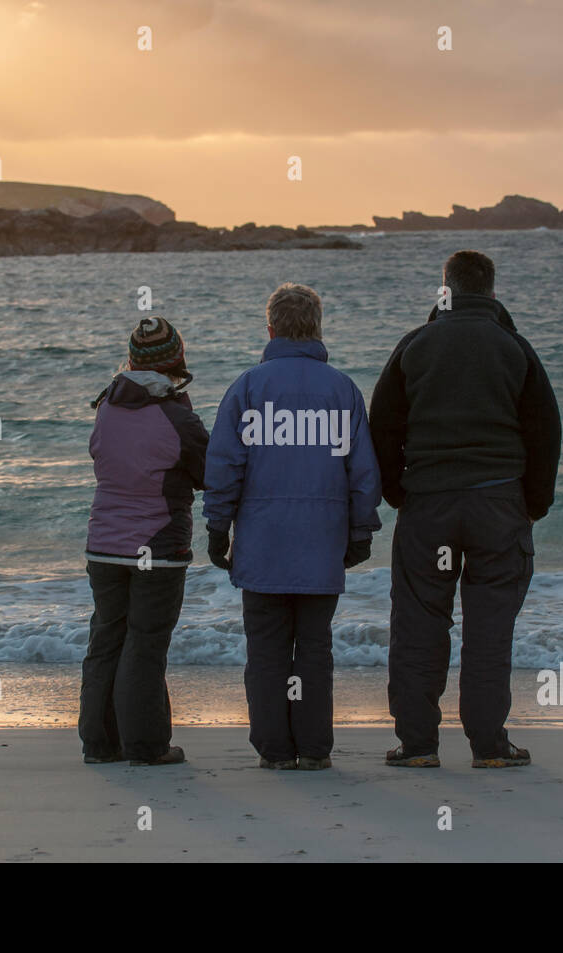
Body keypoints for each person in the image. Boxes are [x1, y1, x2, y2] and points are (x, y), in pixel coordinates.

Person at [369, 250, 561, 768]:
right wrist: (533, 503)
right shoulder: (514, 347)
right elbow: (545, 431)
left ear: (445, 291)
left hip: (428, 505)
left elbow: (381, 426)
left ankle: (416, 746)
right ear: (493, 293)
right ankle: (489, 745)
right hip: (499, 503)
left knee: (417, 626)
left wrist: (397, 493)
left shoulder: (415, 345)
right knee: (489, 629)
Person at [204, 283, 382, 770]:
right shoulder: (342, 389)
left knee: (266, 651)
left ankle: (275, 749)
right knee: (314, 650)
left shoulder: (247, 387)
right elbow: (363, 472)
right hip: (321, 543)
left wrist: (217, 526)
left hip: (263, 543)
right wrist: (361, 531)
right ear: (318, 329)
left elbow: (224, 464)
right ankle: (314, 747)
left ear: (270, 329)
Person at [80, 316, 207, 766]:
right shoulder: (177, 415)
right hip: (158, 545)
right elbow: (206, 473)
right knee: (146, 643)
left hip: (103, 543)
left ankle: (99, 744)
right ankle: (146, 745)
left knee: (107, 638)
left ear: (132, 361)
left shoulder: (107, 406)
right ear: (177, 360)